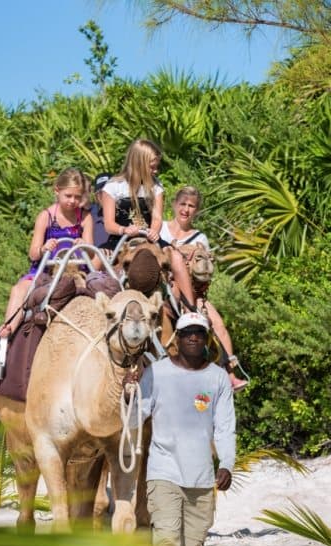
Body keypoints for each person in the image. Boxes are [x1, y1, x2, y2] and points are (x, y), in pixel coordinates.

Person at [125, 310, 235, 546]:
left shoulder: (217, 378)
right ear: (178, 337)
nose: (192, 338)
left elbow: (225, 425)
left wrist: (227, 463)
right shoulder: (157, 373)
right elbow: (135, 418)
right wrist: (129, 395)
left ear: (206, 339)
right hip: (164, 474)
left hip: (202, 479)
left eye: (199, 334)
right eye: (186, 332)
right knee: (168, 544)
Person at [162, 186, 248, 392]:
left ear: (197, 211)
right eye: (182, 204)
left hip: (191, 292)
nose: (186, 210)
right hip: (163, 288)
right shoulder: (160, 228)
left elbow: (204, 275)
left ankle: (230, 373)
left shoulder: (200, 238)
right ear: (174, 204)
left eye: (191, 206)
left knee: (217, 322)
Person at [0, 168, 93, 338]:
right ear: (57, 191)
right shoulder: (46, 216)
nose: (72, 201)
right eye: (68, 196)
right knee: (19, 289)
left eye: (77, 197)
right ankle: (8, 330)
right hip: (44, 271)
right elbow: (33, 254)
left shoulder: (85, 217)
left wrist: (83, 245)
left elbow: (91, 253)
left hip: (76, 271)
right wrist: (44, 248)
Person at [99, 139, 195, 304]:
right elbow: (109, 224)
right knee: (97, 259)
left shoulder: (156, 187)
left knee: (177, 258)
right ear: (138, 163)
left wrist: (154, 230)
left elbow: (157, 217)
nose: (156, 170)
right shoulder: (113, 187)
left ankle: (189, 308)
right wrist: (124, 230)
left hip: (149, 238)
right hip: (120, 240)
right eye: (152, 166)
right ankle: (95, 305)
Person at [89, 172, 111, 248]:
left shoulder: (125, 212)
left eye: (108, 191)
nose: (105, 196)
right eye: (100, 192)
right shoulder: (89, 215)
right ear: (96, 196)